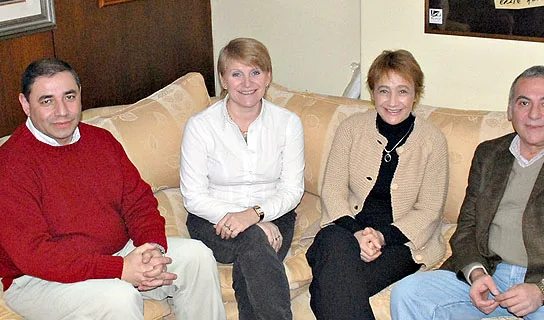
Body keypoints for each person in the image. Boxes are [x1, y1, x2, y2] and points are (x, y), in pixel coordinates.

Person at [0, 58, 225, 320]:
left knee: (196, 256)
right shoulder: (10, 164)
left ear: (80, 95)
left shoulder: (100, 141)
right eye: (47, 101)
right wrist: (119, 269)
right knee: (119, 297)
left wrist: (152, 248)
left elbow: (139, 202)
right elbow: (36, 256)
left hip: (118, 255)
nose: (62, 111)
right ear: (25, 105)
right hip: (38, 280)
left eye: (69, 96)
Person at [390, 65, 544, 320]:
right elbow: (466, 227)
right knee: (409, 293)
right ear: (510, 110)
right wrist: (476, 274)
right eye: (524, 103)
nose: (534, 114)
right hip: (490, 273)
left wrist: (543, 289)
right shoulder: (489, 154)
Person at [306, 49, 449, 320]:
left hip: (401, 243)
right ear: (373, 93)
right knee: (333, 240)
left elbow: (430, 210)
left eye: (402, 91)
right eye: (384, 91)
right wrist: (357, 234)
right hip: (345, 232)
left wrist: (381, 237)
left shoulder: (432, 140)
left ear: (416, 94)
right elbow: (333, 190)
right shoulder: (351, 128)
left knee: (328, 285)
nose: (393, 101)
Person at [180, 37, 305, 320]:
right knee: (255, 243)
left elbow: (292, 190)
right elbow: (194, 196)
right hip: (212, 222)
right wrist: (237, 218)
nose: (247, 83)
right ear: (223, 79)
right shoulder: (200, 126)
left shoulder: (287, 123)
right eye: (237, 74)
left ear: (268, 77)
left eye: (255, 73)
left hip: (275, 216)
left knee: (250, 254)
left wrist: (255, 216)